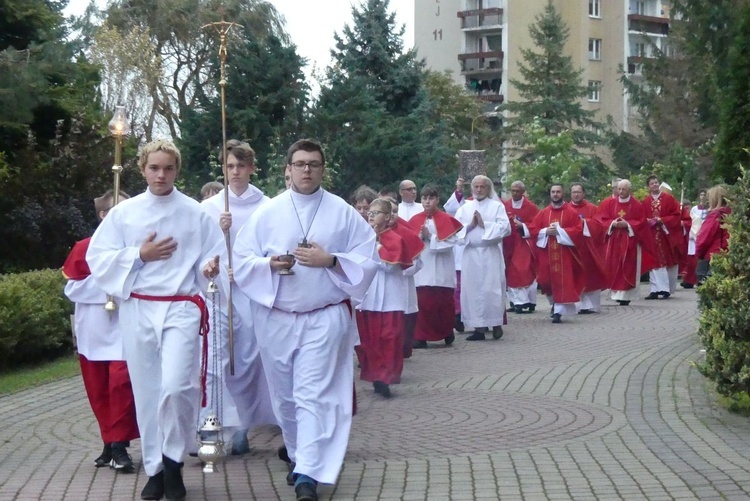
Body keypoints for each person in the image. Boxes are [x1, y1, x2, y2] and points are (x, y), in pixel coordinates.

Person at [232, 139, 377, 501]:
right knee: (286, 398)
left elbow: (367, 257)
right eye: (300, 164)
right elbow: (243, 259)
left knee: (314, 394)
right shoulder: (268, 213)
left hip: (323, 317)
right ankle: (299, 458)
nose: (307, 170)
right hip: (277, 318)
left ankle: (309, 476)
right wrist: (270, 264)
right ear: (288, 169)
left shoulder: (342, 211)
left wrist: (330, 261)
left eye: (313, 163)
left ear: (323, 169)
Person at [87, 140, 224, 501]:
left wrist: (210, 268)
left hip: (180, 305)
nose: (161, 175)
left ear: (178, 170)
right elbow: (98, 258)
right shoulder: (125, 214)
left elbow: (213, 258)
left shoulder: (195, 213)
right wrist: (139, 255)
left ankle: (174, 460)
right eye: (154, 168)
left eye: (168, 168)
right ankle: (156, 469)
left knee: (177, 387)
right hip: (139, 307)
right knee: (147, 391)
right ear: (142, 169)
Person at [200, 139, 276, 455]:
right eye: (229, 166)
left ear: (252, 168)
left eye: (241, 166)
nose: (235, 172)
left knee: (252, 360)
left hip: (253, 295)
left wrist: (246, 270)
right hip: (219, 296)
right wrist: (218, 231)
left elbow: (272, 250)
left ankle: (248, 423)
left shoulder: (268, 206)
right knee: (222, 360)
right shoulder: (207, 209)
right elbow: (199, 253)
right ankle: (226, 426)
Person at [63, 190, 139, 474]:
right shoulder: (84, 247)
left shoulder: (137, 247)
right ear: (104, 215)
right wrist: (105, 282)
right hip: (94, 327)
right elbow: (71, 287)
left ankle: (119, 444)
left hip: (124, 326)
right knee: (98, 390)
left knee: (121, 385)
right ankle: (109, 442)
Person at [355, 199, 412, 398]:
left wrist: (377, 247)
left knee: (389, 337)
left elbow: (390, 266)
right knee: (371, 339)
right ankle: (375, 375)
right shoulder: (362, 238)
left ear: (387, 218)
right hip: (369, 295)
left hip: (389, 296)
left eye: (376, 212)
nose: (370, 215)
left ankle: (386, 376)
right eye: (370, 212)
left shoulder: (395, 239)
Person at [454, 175, 511, 340]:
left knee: (491, 289)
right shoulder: (464, 208)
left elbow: (505, 228)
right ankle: (478, 327)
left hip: (490, 253)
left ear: (488, 188)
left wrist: (484, 224)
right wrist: (470, 226)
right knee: (472, 291)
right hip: (471, 254)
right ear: (472, 188)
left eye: (482, 187)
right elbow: (455, 230)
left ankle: (495, 323)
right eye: (476, 187)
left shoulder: (496, 207)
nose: (479, 190)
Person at [408, 184, 463, 347]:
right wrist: (419, 236)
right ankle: (421, 336)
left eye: (431, 198)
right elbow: (409, 242)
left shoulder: (446, 219)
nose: (427, 202)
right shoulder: (415, 220)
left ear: (437, 200)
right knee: (423, 304)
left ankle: (446, 332)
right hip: (423, 270)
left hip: (441, 270)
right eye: (424, 198)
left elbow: (451, 243)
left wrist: (430, 236)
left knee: (442, 304)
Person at [527, 184, 585, 323]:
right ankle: (554, 303)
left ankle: (558, 311)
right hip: (546, 254)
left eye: (558, 192)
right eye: (553, 192)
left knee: (562, 281)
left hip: (564, 254)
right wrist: (545, 231)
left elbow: (578, 230)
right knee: (545, 281)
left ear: (563, 193)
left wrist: (560, 231)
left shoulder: (571, 212)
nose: (555, 194)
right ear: (550, 194)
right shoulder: (544, 212)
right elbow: (533, 229)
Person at [595, 179, 655, 305]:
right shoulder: (610, 203)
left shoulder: (636, 205)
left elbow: (642, 222)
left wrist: (627, 224)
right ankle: (615, 294)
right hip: (614, 241)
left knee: (628, 268)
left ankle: (626, 296)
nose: (620, 192)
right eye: (619, 189)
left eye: (624, 189)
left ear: (629, 190)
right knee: (614, 266)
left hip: (630, 241)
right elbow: (602, 219)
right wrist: (613, 223)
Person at [382, 195, 424, 357]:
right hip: (381, 287)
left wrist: (402, 269)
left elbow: (419, 262)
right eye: (388, 211)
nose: (392, 215)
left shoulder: (407, 233)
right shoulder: (373, 232)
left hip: (403, 285)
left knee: (402, 321)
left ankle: (400, 352)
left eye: (395, 211)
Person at [569, 183, 608, 314]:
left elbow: (599, 225)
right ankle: (577, 305)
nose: (576, 194)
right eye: (574, 192)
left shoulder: (592, 208)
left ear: (583, 193)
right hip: (573, 249)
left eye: (578, 192)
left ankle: (591, 305)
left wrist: (584, 222)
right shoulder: (566, 209)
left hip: (588, 250)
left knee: (590, 276)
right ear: (570, 194)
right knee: (575, 276)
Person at [642, 175, 682, 299]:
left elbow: (676, 216)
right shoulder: (645, 202)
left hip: (664, 235)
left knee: (663, 262)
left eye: (656, 182)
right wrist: (647, 221)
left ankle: (664, 289)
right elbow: (641, 217)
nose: (654, 185)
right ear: (648, 186)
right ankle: (654, 289)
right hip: (651, 235)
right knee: (653, 262)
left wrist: (662, 220)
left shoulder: (668, 199)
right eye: (652, 183)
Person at [503, 181, 540, 314]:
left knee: (522, 270)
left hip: (524, 242)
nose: (515, 193)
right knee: (509, 270)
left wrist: (523, 225)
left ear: (523, 191)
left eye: (518, 191)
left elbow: (537, 224)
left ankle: (527, 301)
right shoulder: (505, 205)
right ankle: (515, 301)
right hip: (508, 242)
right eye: (513, 190)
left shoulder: (531, 207)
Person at [695, 185, 731, 276]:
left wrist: (699, 253)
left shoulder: (715, 215)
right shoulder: (732, 214)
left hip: (714, 256)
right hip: (730, 255)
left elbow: (705, 237)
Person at [690, 189, 710, 284]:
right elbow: (692, 221)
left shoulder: (710, 208)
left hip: (708, 232)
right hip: (697, 232)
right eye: (701, 195)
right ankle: (698, 277)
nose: (703, 196)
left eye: (704, 195)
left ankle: (706, 276)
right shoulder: (694, 209)